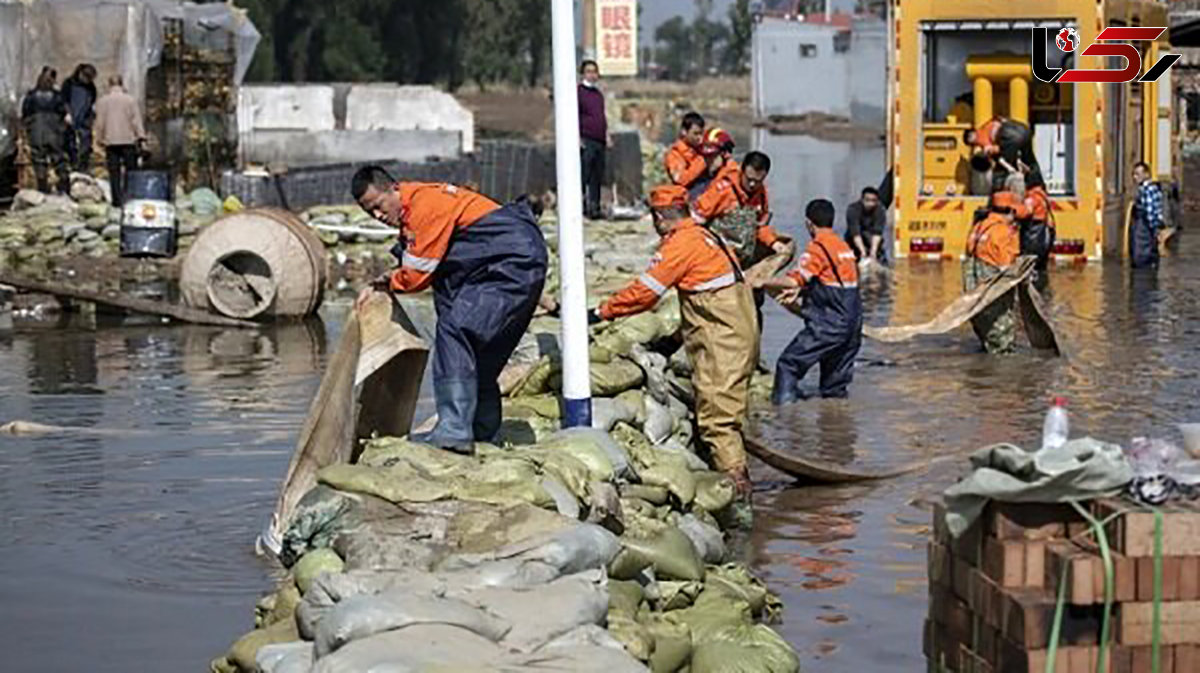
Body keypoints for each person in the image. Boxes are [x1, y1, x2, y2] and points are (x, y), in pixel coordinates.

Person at [352, 166, 548, 454]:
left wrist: (389, 283)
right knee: (479, 356)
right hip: (513, 263)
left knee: (455, 331)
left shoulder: (425, 205)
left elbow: (417, 276)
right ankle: (481, 433)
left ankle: (454, 431)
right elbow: (443, 271)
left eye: (379, 206)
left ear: (394, 189)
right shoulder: (418, 214)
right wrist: (388, 278)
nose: (378, 216)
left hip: (510, 265)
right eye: (370, 213)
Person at [591, 185, 757, 498]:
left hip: (723, 341)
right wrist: (673, 340)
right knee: (728, 409)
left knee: (717, 417)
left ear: (659, 216)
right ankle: (732, 467)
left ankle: (737, 496)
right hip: (740, 331)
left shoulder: (680, 244)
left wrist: (602, 312)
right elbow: (705, 298)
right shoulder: (707, 235)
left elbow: (645, 294)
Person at [757, 199, 863, 402]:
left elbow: (792, 279)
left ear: (809, 223)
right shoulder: (844, 248)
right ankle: (836, 427)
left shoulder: (817, 248)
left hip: (829, 325)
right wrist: (803, 291)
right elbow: (835, 284)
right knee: (834, 388)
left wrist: (761, 281)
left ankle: (784, 420)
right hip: (853, 327)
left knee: (788, 365)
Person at [964, 191, 1026, 354]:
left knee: (982, 318)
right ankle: (1001, 362)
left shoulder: (979, 226)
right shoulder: (1004, 232)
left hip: (975, 282)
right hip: (994, 281)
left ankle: (988, 350)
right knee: (1001, 325)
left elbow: (969, 250)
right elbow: (1007, 265)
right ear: (1011, 211)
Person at [95, 75, 146, 208]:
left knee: (114, 172)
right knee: (131, 171)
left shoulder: (102, 101)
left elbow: (100, 122)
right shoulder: (130, 100)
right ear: (122, 84)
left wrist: (99, 138)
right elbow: (136, 121)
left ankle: (116, 201)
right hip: (128, 140)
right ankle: (131, 197)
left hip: (111, 141)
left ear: (109, 84)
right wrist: (141, 136)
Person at [21, 68, 70, 194]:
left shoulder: (31, 96)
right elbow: (64, 112)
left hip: (36, 130)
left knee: (39, 159)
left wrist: (28, 127)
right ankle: (64, 186)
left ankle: (42, 187)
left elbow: (25, 112)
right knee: (59, 158)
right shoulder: (57, 96)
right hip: (54, 130)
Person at [963, 115, 1038, 188]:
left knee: (999, 175)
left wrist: (992, 156)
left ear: (971, 139)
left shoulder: (981, 140)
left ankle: (1003, 193)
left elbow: (997, 152)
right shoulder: (987, 124)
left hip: (1008, 136)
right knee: (1030, 161)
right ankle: (1038, 186)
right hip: (1024, 129)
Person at [578, 59, 608, 220]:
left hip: (599, 139)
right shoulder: (578, 92)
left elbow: (601, 116)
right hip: (586, 138)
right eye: (589, 71)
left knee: (597, 175)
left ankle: (595, 207)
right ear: (583, 73)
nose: (592, 75)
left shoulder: (598, 95)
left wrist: (607, 135)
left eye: (594, 72)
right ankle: (581, 206)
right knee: (584, 174)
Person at [1020, 168, 1055, 285]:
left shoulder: (1032, 197)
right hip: (1044, 234)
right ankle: (1045, 292)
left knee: (1030, 266)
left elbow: (1025, 212)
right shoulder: (1043, 196)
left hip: (1033, 235)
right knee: (1041, 268)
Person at [61, 63, 98, 172]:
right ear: (80, 74)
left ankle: (83, 165)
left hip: (84, 117)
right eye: (86, 77)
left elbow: (92, 101)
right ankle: (72, 163)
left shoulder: (91, 87)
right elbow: (64, 100)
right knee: (69, 141)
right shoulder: (68, 83)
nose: (88, 80)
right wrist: (67, 113)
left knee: (86, 142)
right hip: (71, 115)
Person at [1130, 161, 1163, 269]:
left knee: (1141, 257)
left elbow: (1150, 211)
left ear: (1146, 174)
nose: (1135, 177)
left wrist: (1154, 229)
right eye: (1134, 174)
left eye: (1138, 174)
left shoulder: (1148, 189)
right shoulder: (1148, 188)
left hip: (1144, 229)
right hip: (1145, 228)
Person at [665, 111, 707, 192]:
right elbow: (681, 180)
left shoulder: (701, 149)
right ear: (684, 132)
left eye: (701, 134)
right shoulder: (674, 154)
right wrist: (702, 161)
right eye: (696, 134)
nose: (699, 138)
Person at [845, 186, 887, 264]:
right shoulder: (853, 209)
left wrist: (873, 253)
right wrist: (863, 252)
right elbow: (855, 233)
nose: (870, 203)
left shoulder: (880, 210)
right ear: (862, 199)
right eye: (867, 200)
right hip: (854, 240)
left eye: (873, 201)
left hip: (871, 238)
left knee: (880, 259)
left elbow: (877, 233)